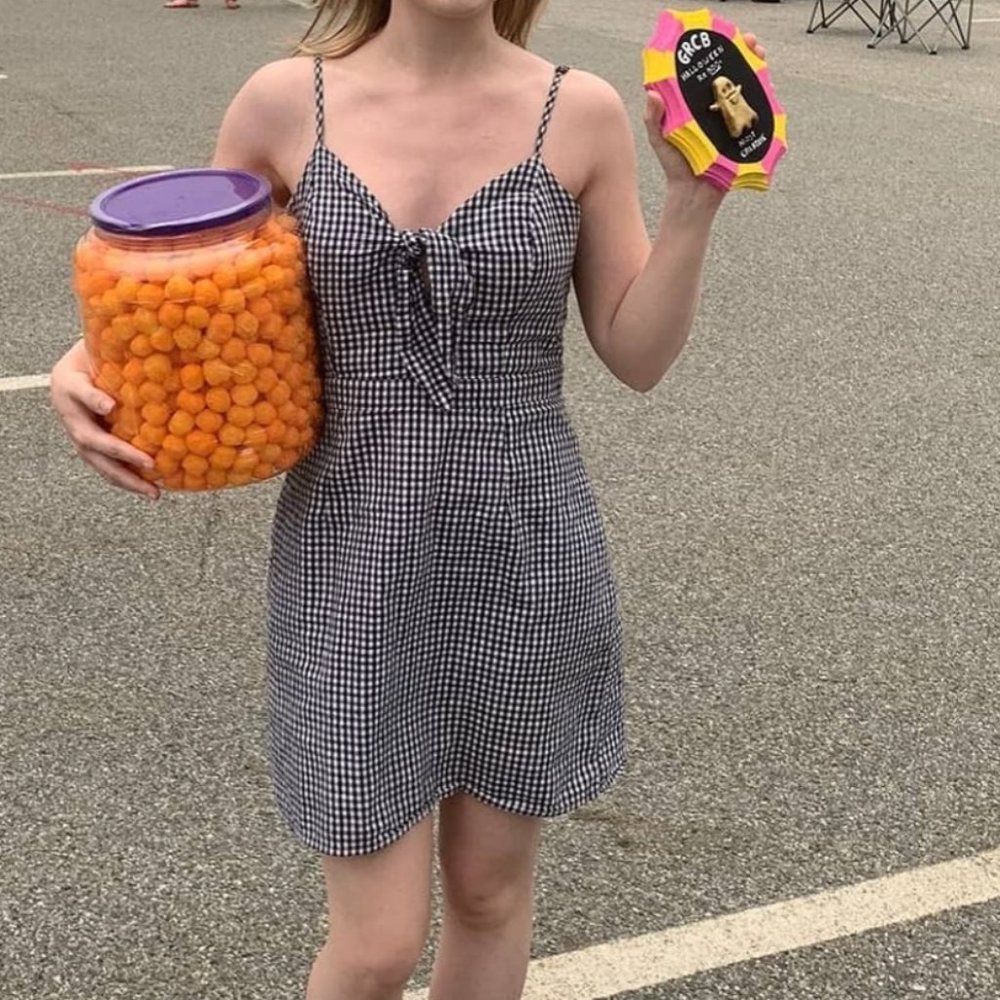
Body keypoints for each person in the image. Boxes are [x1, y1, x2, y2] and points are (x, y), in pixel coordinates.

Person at [50, 2, 763, 998]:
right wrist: (84, 361)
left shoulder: (581, 111)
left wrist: (693, 204)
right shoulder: (282, 103)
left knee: (486, 895)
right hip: (351, 562)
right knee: (378, 943)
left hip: (525, 553)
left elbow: (635, 353)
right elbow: (193, 298)